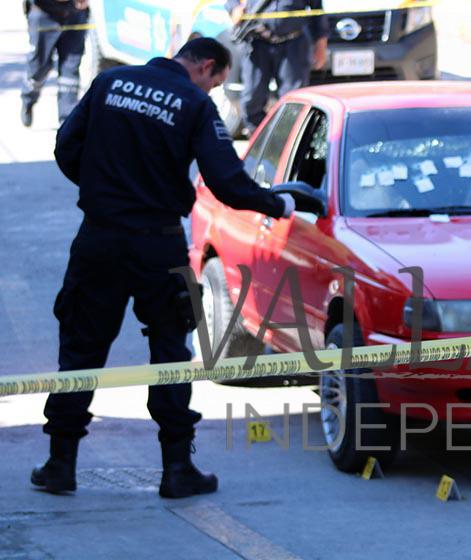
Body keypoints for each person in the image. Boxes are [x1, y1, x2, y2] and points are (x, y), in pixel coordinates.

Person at [31, 37, 297, 499]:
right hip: (158, 244)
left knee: (80, 351)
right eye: (217, 83)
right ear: (207, 66)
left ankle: (59, 465)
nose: (213, 91)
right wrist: (278, 204)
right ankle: (177, 469)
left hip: (99, 237)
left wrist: (105, 189)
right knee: (171, 353)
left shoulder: (110, 82)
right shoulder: (194, 104)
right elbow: (227, 180)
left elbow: (65, 147)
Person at [226, 0, 328, 133]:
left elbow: (317, 11)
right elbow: (231, 3)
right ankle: (258, 136)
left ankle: (287, 137)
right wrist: (234, 9)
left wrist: (321, 46)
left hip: (293, 43)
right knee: (252, 98)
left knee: (293, 100)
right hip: (257, 43)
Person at [21, 0, 90, 127]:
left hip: (75, 13)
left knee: (70, 71)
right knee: (39, 68)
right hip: (44, 12)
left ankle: (67, 123)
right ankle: (28, 99)